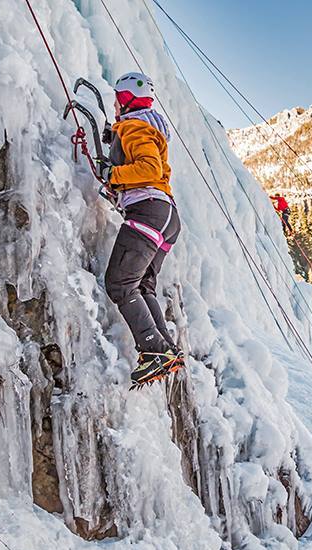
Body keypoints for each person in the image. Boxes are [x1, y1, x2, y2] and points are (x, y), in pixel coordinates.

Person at [100, 72, 184, 386]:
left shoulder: (135, 126)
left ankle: (154, 349)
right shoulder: (144, 127)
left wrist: (112, 174)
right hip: (166, 216)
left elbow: (149, 168)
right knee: (143, 285)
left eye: (117, 100)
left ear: (124, 99)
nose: (115, 106)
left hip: (148, 209)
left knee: (120, 283)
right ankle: (165, 348)